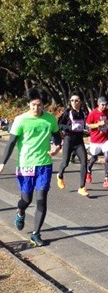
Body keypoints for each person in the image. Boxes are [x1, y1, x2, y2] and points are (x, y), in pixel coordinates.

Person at [0, 88, 62, 247]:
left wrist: (56, 147)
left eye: (39, 105)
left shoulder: (50, 120)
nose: (36, 108)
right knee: (26, 200)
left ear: (44, 105)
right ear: (29, 104)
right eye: (33, 105)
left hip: (44, 165)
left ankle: (36, 233)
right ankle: (20, 211)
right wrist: (2, 163)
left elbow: (57, 136)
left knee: (41, 200)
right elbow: (11, 143)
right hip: (25, 165)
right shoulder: (20, 120)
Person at [57, 91, 89, 196]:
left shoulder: (83, 113)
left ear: (81, 102)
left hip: (79, 141)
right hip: (68, 140)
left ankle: (82, 187)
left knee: (84, 162)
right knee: (65, 163)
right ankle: (60, 175)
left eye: (76, 100)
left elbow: (85, 126)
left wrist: (86, 130)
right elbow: (60, 125)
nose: (74, 102)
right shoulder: (68, 112)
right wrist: (70, 128)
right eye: (72, 100)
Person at [85, 96, 108, 188]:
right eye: (102, 105)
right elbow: (87, 125)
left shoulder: (107, 112)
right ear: (98, 104)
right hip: (96, 140)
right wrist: (97, 124)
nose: (104, 106)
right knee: (94, 158)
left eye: (105, 104)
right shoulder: (93, 113)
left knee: (107, 158)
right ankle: (88, 171)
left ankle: (106, 179)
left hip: (105, 139)